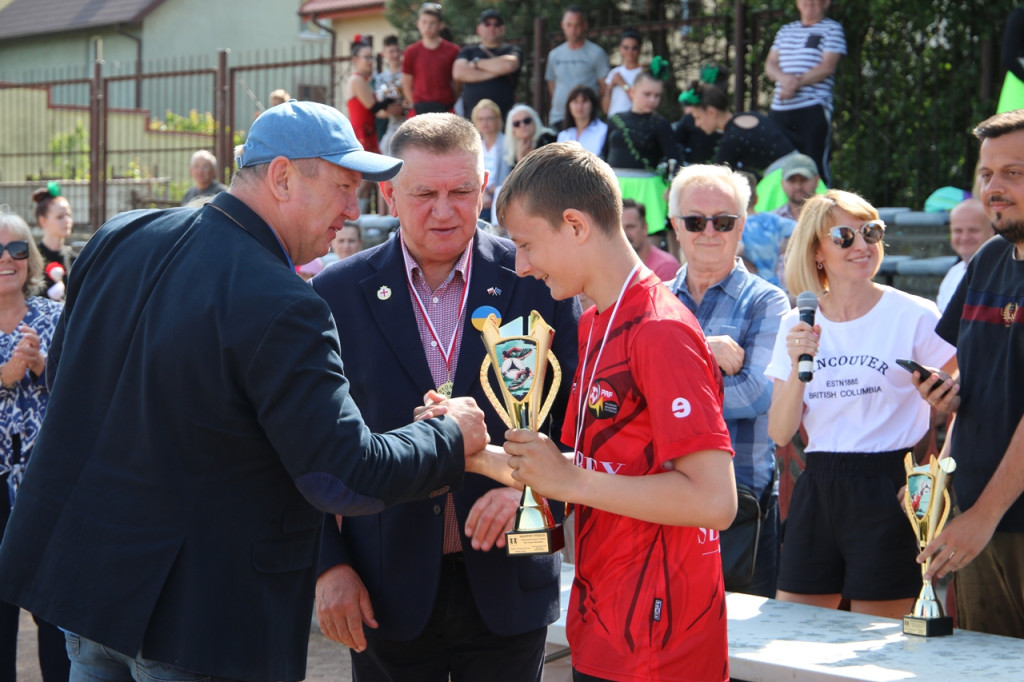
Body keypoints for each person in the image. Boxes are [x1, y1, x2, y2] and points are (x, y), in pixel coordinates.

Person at [0, 100, 490, 682]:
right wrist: (448, 435)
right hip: (200, 622)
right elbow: (344, 473)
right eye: (342, 187)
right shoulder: (285, 303)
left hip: (90, 594)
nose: (350, 212)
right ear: (282, 176)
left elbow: (72, 381)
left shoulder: (119, 235)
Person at [311, 113, 579, 682]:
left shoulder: (537, 276)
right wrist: (326, 566)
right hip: (384, 586)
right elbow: (303, 446)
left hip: (511, 577)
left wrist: (533, 487)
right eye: (424, 193)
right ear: (387, 193)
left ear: (485, 188)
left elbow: (577, 412)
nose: (444, 209)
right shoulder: (335, 294)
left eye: (461, 191)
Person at [493, 142, 736, 682]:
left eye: (527, 243)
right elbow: (596, 467)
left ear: (575, 225)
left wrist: (570, 480)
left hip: (660, 642)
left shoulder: (660, 328)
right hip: (608, 622)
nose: (522, 265)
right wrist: (469, 450)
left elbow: (715, 501)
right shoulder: (596, 320)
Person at [764, 189, 957, 619]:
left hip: (890, 485)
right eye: (844, 236)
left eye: (871, 232)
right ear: (817, 250)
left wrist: (939, 462)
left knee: (878, 644)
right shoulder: (796, 324)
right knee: (794, 635)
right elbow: (779, 432)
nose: (863, 245)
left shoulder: (916, 314)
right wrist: (798, 364)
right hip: (818, 484)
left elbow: (963, 390)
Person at [915, 109, 1024, 638]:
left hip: (992, 518)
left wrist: (982, 516)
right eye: (986, 174)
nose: (994, 188)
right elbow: (983, 377)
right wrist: (949, 395)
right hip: (980, 517)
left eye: (1014, 173)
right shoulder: (988, 260)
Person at [667, 164, 790, 598]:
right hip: (660, 501)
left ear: (742, 226)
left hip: (740, 507)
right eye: (695, 221)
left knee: (739, 657)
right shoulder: (654, 299)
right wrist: (706, 350)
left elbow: (757, 394)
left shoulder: (768, 301)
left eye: (723, 221)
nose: (709, 232)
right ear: (675, 227)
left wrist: (670, 393)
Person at [0, 211, 67, 682]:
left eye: (17, 250)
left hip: (46, 484)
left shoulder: (55, 315)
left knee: (55, 612)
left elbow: (84, 391)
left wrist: (43, 365)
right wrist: (3, 377)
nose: (8, 259)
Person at [764, 0, 847, 187]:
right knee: (777, 163)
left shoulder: (832, 29)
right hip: (780, 110)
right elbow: (770, 64)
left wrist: (793, 84)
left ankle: (822, 208)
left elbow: (827, 67)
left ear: (826, 3)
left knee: (814, 162)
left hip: (812, 108)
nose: (809, 2)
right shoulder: (785, 30)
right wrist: (785, 80)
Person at [604, 70, 683, 235]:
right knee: (611, 236)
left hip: (649, 188)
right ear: (632, 91)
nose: (652, 100)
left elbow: (675, 158)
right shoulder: (616, 119)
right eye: (647, 94)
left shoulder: (661, 124)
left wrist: (672, 187)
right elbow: (604, 154)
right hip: (616, 185)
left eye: (657, 96)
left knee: (649, 237)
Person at [688, 82, 797, 177]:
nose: (697, 124)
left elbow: (718, 178)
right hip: (801, 164)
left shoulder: (730, 139)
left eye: (698, 117)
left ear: (712, 112)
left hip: (784, 178)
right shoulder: (752, 116)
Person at [545, 6, 609, 127]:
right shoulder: (554, 55)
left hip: (586, 118)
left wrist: (590, 104)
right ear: (562, 25)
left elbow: (603, 86)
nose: (573, 29)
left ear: (585, 25)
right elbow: (552, 86)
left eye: (577, 25)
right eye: (569, 25)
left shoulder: (597, 53)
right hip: (559, 117)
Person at [453, 9, 521, 121]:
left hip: (504, 120)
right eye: (487, 24)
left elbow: (509, 65)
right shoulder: (468, 51)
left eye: (497, 24)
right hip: (472, 120)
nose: (492, 27)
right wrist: (497, 71)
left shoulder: (511, 49)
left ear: (503, 29)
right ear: (479, 29)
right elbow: (458, 73)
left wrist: (476, 63)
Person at [738, 170, 796, 289]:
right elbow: (801, 229)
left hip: (751, 286)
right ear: (757, 199)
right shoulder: (771, 220)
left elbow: (739, 249)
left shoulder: (737, 226)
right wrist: (782, 248)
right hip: (775, 285)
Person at [936, 198, 993, 312]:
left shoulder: (1001, 275)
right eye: (958, 231)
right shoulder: (954, 273)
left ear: (991, 231)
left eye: (973, 230)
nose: (965, 237)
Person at [403, 3, 460, 116]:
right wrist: (415, 105)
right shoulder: (411, 52)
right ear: (418, 24)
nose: (427, 27)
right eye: (424, 22)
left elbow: (457, 84)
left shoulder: (453, 51)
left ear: (441, 25)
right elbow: (406, 84)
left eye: (432, 22)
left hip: (446, 110)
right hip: (419, 111)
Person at [31, 183, 74, 301]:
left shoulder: (74, 258)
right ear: (43, 221)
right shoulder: (33, 258)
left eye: (68, 215)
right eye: (60, 217)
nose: (67, 220)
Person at [471, 99, 510, 223]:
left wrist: (497, 189)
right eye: (480, 119)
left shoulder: (507, 143)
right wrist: (482, 192)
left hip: (501, 195)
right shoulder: (475, 146)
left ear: (498, 120)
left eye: (489, 118)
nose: (485, 122)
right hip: (480, 195)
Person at [622, 198, 679, 281]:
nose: (625, 234)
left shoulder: (665, 266)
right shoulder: (617, 267)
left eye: (630, 227)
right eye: (620, 229)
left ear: (645, 228)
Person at [555, 85, 608, 157]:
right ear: (569, 106)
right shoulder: (564, 135)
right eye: (575, 102)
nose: (579, 106)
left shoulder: (604, 130)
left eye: (584, 102)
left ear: (592, 105)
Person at [502, 104, 556, 171]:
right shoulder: (512, 149)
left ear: (535, 121)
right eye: (516, 124)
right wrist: (519, 156)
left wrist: (522, 158)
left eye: (527, 121)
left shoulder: (549, 139)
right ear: (512, 130)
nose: (523, 125)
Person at [602, 30, 643, 117]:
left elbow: (642, 102)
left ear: (640, 49)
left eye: (634, 48)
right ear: (620, 49)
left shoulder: (643, 74)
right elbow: (605, 109)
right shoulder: (614, 72)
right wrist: (609, 88)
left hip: (633, 121)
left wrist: (623, 83)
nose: (630, 51)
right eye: (626, 47)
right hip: (614, 121)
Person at [772, 153, 821, 221]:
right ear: (782, 183)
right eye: (792, 181)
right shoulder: (772, 221)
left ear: (816, 181)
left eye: (804, 179)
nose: (798, 187)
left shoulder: (831, 215)